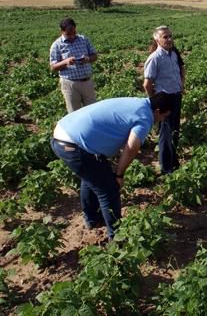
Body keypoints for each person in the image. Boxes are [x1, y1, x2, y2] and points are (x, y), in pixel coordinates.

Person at [51, 93, 174, 240]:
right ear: (157, 111)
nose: (162, 120)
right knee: (109, 191)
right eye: (164, 116)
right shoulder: (145, 118)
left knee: (92, 177)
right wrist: (119, 174)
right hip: (74, 145)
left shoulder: (138, 102)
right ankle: (117, 239)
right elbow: (131, 147)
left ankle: (93, 219)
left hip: (62, 133)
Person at [143, 26, 185, 174]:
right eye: (165, 37)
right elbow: (147, 84)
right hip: (164, 98)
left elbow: (181, 69)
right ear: (157, 40)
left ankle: (174, 161)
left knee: (174, 130)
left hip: (176, 95)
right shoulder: (154, 58)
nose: (169, 39)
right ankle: (166, 168)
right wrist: (155, 100)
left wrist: (181, 85)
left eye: (170, 36)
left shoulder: (173, 53)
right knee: (165, 134)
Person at [49, 17, 98, 113]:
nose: (71, 36)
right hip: (70, 84)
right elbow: (53, 67)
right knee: (74, 113)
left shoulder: (83, 39)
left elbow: (94, 56)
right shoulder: (57, 45)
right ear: (61, 31)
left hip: (87, 82)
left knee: (93, 112)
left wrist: (87, 59)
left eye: (73, 33)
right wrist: (66, 62)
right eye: (68, 34)